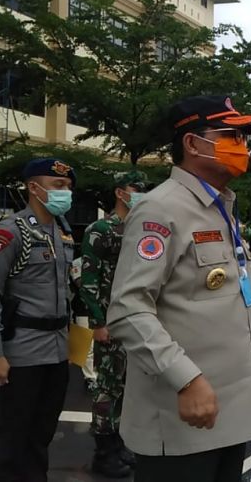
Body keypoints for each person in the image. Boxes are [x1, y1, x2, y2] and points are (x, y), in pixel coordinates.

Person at [106, 95, 251, 482]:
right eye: (229, 135)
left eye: (243, 138)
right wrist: (186, 379)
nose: (241, 147)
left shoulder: (220, 207)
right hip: (182, 416)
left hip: (227, 410)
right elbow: (129, 309)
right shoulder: (162, 209)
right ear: (192, 144)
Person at [0, 157, 77, 481]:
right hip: (20, 354)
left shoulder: (62, 232)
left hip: (57, 351)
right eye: (58, 185)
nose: (66, 193)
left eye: (68, 187)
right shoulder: (10, 231)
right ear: (34, 187)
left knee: (41, 436)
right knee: (12, 440)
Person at [77, 170, 148, 478]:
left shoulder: (143, 228)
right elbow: (88, 278)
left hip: (137, 319)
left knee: (131, 386)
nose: (142, 194)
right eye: (137, 189)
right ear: (121, 193)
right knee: (108, 386)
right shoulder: (100, 229)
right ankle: (104, 451)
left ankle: (122, 445)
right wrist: (97, 321)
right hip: (111, 320)